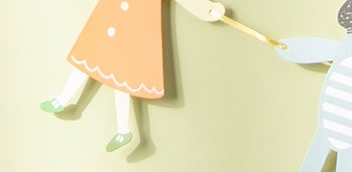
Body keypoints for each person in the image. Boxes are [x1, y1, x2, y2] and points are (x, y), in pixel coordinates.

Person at [42, 0, 227, 158]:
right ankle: (63, 99)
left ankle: (123, 130)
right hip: (112, 14)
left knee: (122, 74)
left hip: (136, 22)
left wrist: (207, 10)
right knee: (89, 54)